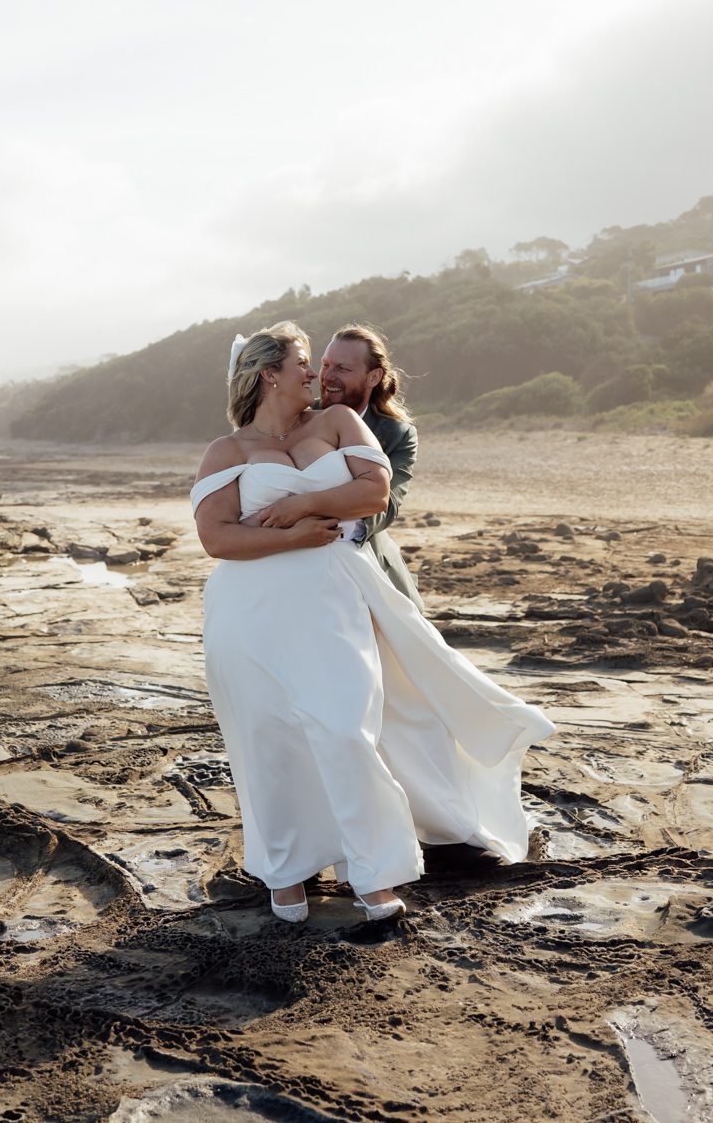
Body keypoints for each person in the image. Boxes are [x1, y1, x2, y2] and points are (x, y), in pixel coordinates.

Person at [190, 322, 555, 929]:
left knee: (344, 727)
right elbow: (215, 536)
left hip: (334, 601)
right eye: (305, 363)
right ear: (269, 375)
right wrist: (291, 539)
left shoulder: (338, 425)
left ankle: (376, 869)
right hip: (250, 613)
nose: (315, 374)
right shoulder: (225, 451)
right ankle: (286, 872)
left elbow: (377, 492)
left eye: (326, 365)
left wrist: (304, 508)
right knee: (269, 739)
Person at [317, 325, 424, 611]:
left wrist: (336, 532)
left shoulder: (397, 434)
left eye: (342, 368)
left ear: (374, 377)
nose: (327, 377)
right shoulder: (298, 417)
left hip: (365, 555)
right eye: (325, 365)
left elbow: (386, 505)